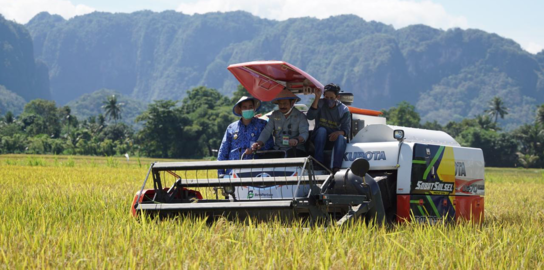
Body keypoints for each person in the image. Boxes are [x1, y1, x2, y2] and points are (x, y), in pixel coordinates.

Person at [217, 96, 274, 177]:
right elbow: (223, 152)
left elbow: (270, 146)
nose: (248, 109)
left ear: (254, 108)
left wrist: (257, 147)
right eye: (245, 107)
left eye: (250, 107)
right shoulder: (231, 127)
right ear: (240, 110)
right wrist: (221, 174)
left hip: (257, 172)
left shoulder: (262, 125)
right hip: (233, 172)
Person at [252, 88, 309, 157]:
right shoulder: (274, 115)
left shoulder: (300, 116)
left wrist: (296, 140)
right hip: (278, 149)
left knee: (290, 156)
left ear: (292, 103)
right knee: (264, 159)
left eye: (285, 103)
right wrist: (259, 143)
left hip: (295, 150)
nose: (282, 106)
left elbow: (304, 133)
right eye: (280, 104)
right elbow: (267, 131)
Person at [307, 83, 350, 173]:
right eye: (326, 97)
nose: (329, 100)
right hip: (319, 138)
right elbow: (310, 116)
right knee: (322, 130)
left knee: (341, 138)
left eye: (332, 98)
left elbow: (346, 130)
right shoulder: (320, 103)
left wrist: (338, 133)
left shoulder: (343, 110)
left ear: (337, 97)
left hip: (333, 139)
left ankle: (336, 167)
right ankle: (318, 162)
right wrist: (317, 98)